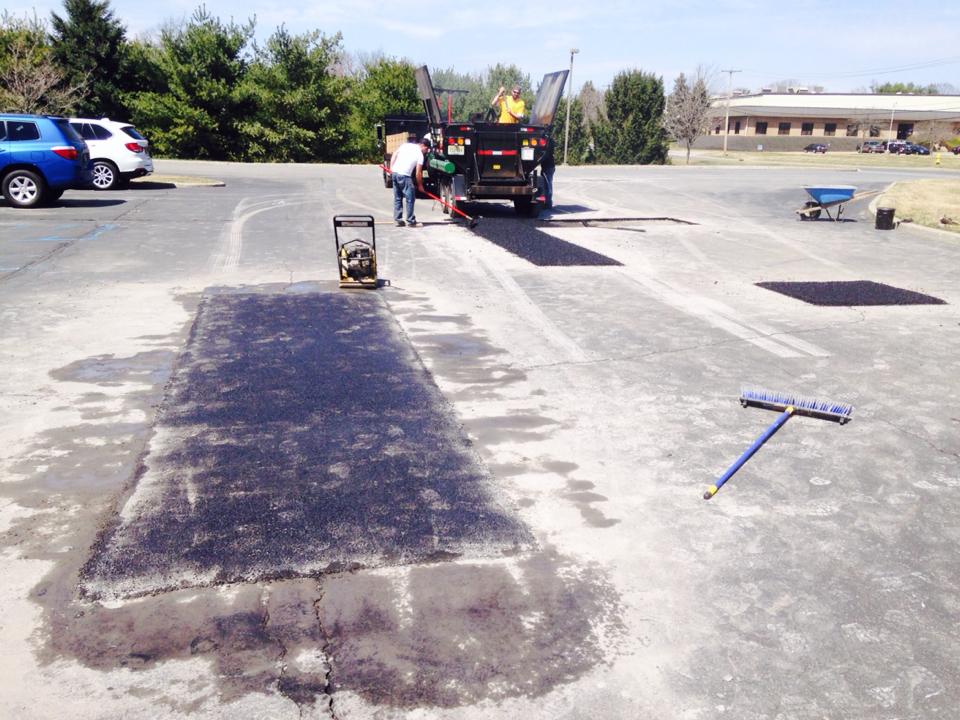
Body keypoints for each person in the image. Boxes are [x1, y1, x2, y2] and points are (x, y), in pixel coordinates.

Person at [389, 135, 430, 227]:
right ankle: (411, 221)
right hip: (404, 176)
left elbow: (394, 154)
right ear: (423, 146)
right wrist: (420, 186)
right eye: (426, 149)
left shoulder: (405, 145)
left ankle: (398, 220)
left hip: (395, 173)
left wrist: (391, 168)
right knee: (410, 198)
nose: (426, 152)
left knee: (398, 197)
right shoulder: (420, 155)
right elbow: (418, 173)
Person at [540, 135, 555, 209]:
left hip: (548, 166)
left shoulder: (548, 145)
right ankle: (548, 202)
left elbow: (545, 155)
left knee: (547, 185)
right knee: (548, 184)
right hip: (549, 166)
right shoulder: (550, 142)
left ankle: (548, 203)